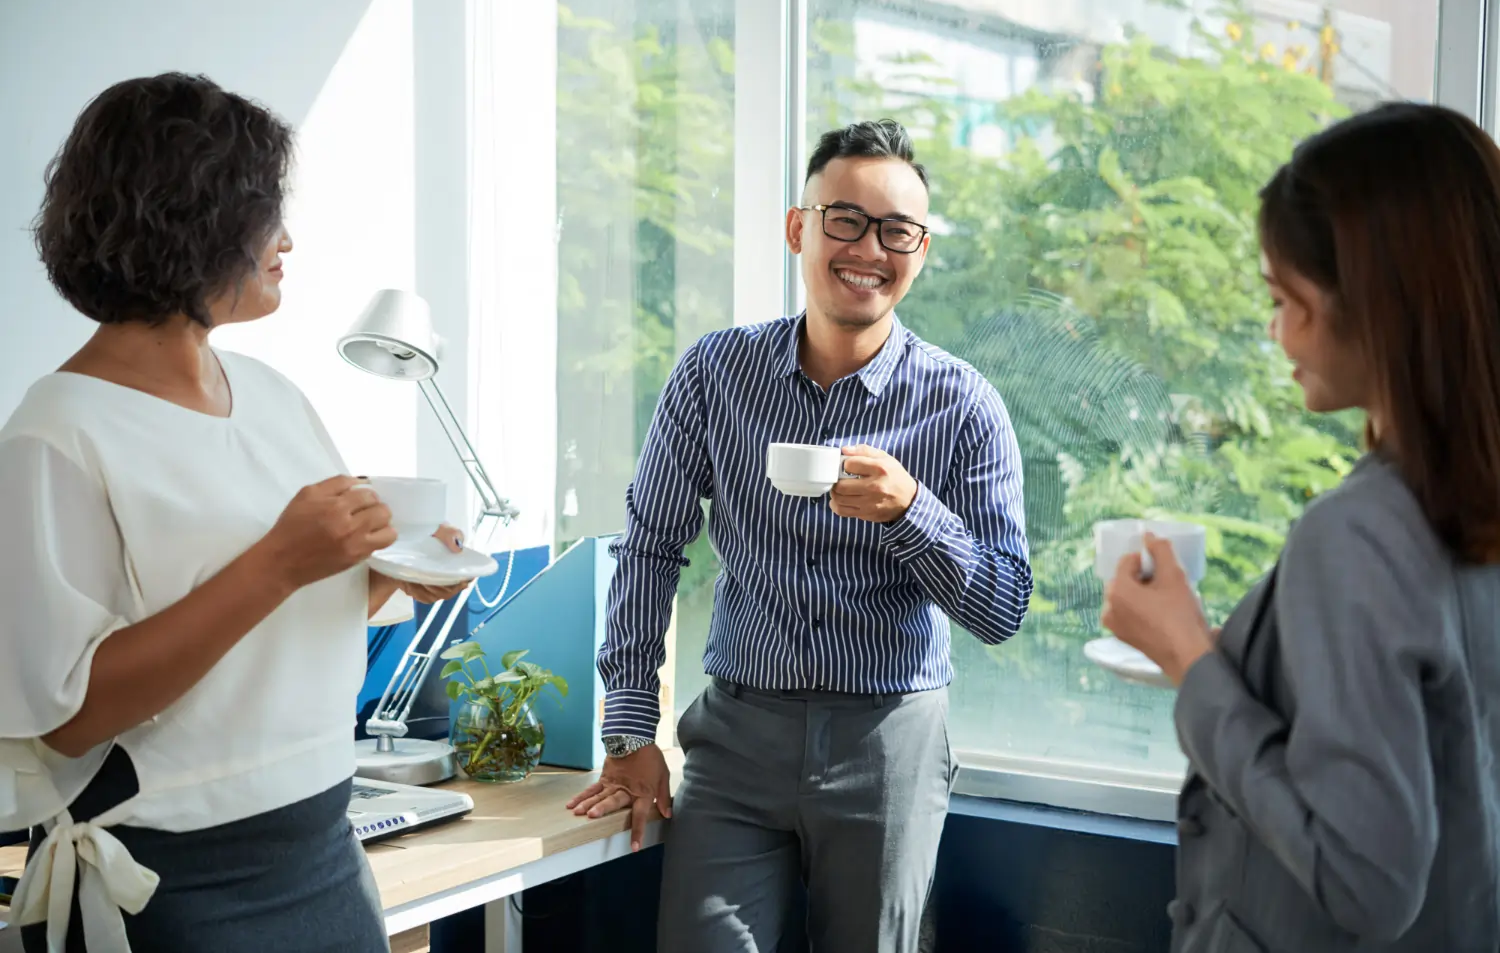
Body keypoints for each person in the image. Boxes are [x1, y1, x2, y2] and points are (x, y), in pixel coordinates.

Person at [0, 73, 470, 953]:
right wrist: (280, 562)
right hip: (174, 885)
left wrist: (379, 575)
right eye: (266, 212)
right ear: (192, 216)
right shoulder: (56, 435)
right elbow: (66, 712)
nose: (286, 239)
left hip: (324, 856)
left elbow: (275, 626)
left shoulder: (270, 395)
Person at [566, 119, 1033, 952]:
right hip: (737, 742)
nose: (869, 247)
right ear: (799, 229)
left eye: (898, 230)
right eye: (845, 219)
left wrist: (911, 510)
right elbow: (649, 547)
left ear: (919, 252)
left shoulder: (964, 405)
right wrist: (632, 730)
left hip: (889, 745)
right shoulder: (715, 374)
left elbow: (1003, 605)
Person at [1102, 102, 1500, 952]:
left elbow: (1369, 880)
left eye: (1285, 298)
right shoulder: (1465, 505)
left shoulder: (1358, 533)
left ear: (1377, 305)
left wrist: (1191, 659)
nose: (1277, 330)